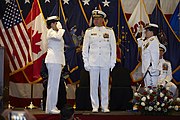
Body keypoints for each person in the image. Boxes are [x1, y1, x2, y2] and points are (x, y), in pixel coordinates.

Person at [82, 10, 116, 113]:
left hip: (105, 62)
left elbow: (113, 48)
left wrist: (112, 62)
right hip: (93, 62)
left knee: (105, 85)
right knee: (93, 85)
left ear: (102, 20)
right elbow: (85, 49)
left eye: (97, 19)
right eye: (94, 19)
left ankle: (105, 106)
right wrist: (86, 62)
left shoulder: (109, 31)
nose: (95, 20)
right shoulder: (89, 31)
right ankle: (95, 106)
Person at [45, 16, 65, 114]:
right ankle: (51, 107)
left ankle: (51, 107)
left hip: (56, 61)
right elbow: (58, 37)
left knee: (54, 85)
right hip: (53, 60)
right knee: (53, 85)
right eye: (56, 23)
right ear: (52, 24)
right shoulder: (51, 32)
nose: (58, 24)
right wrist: (60, 29)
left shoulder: (55, 32)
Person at [137, 23, 160, 88]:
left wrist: (153, 69)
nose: (145, 32)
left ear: (152, 32)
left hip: (151, 71)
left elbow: (155, 56)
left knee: (152, 91)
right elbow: (140, 45)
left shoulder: (154, 41)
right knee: (147, 90)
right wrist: (142, 36)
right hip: (146, 69)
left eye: (147, 31)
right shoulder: (148, 41)